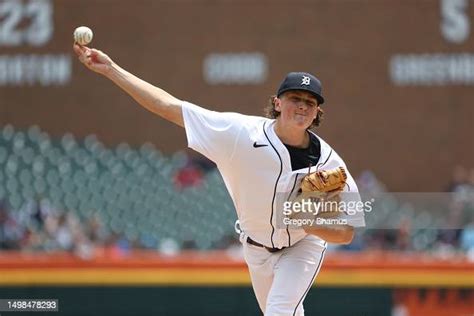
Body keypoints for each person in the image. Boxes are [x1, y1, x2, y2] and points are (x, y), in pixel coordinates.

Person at [73, 44, 365, 315]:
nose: (302, 106)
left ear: (316, 114)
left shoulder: (327, 163)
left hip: (303, 247)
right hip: (255, 248)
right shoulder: (240, 135)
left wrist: (310, 223)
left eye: (310, 103)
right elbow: (169, 107)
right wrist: (112, 69)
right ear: (277, 103)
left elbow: (347, 231)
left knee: (280, 311)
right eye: (294, 99)